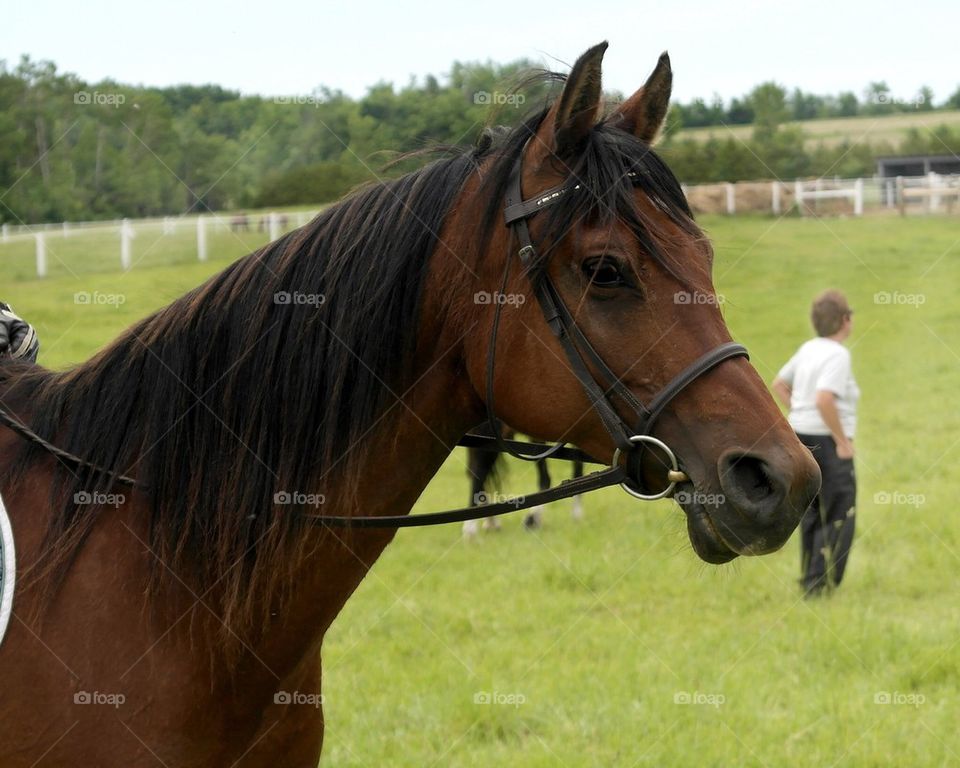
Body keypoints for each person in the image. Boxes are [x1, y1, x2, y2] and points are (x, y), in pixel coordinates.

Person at [772, 290, 858, 597]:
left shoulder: (808, 348)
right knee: (839, 511)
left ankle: (809, 576)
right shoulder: (838, 354)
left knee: (809, 510)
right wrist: (842, 441)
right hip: (827, 441)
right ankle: (821, 583)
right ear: (845, 320)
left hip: (800, 437)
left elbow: (780, 384)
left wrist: (798, 409)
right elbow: (824, 399)